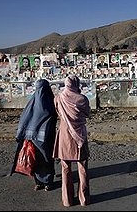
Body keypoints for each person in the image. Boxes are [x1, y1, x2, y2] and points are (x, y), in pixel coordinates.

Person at [11, 79, 57, 191]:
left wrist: (20, 134)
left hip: (32, 136)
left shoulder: (32, 102)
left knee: (36, 157)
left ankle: (39, 182)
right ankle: (47, 182)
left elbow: (24, 119)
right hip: (46, 136)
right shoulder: (50, 101)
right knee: (46, 158)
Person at [53, 75, 91, 207]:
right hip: (79, 135)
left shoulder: (58, 98)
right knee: (83, 168)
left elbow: (58, 112)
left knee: (65, 168)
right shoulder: (82, 99)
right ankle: (84, 199)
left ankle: (67, 200)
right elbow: (87, 114)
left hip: (64, 135)